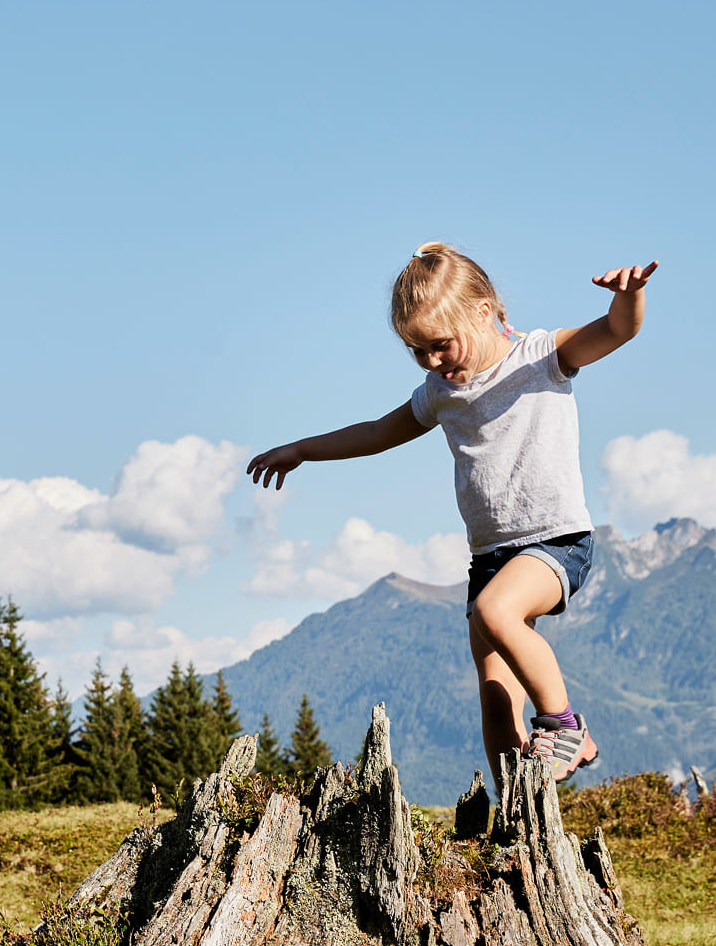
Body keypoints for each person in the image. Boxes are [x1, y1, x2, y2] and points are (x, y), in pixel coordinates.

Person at [246, 243, 655, 781]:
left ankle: (564, 726)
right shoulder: (439, 392)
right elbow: (376, 433)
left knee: (495, 613)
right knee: (495, 697)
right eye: (417, 351)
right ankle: (514, 810)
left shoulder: (541, 356)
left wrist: (630, 296)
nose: (432, 361)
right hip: (490, 556)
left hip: (554, 540)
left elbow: (617, 330)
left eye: (440, 345)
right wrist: (302, 449)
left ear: (483, 312)